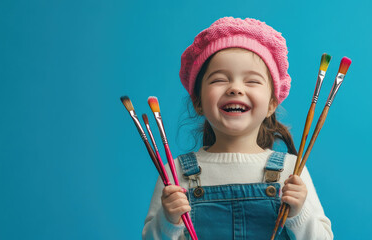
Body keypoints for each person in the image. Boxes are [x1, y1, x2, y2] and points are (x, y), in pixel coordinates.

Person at [142, 17, 333, 240]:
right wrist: (168, 221)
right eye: (219, 80)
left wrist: (299, 213)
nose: (235, 88)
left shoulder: (292, 170)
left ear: (272, 104)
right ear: (198, 102)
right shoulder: (175, 174)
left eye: (252, 81)